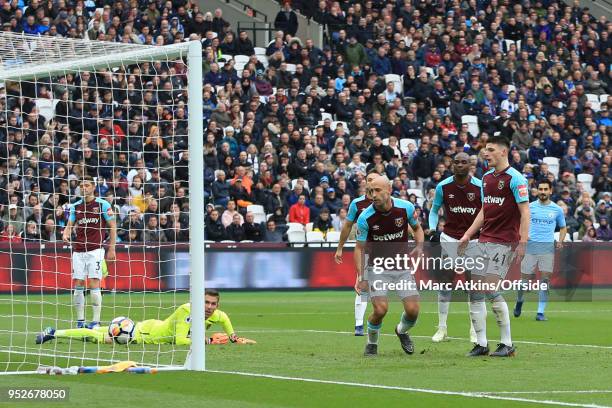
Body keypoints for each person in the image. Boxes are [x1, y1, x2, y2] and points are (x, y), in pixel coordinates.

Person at [459, 136, 530, 357]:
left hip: (504, 241)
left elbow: (525, 212)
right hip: (484, 240)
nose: (485, 153)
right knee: (475, 291)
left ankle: (507, 344)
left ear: (503, 152)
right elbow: (484, 210)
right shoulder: (487, 178)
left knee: (489, 288)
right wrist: (468, 234)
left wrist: (523, 242)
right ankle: (481, 343)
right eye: (484, 150)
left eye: (490, 150)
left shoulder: (515, 178)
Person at [355, 175, 424, 356]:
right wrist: (361, 276)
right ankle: (372, 343)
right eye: (370, 191)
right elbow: (359, 249)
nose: (373, 195)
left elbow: (417, 229)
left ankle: (401, 331)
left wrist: (419, 246)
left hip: (401, 268)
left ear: (389, 190)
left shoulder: (406, 208)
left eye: (377, 190)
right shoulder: (365, 217)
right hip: (377, 268)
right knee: (380, 309)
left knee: (413, 310)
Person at [36, 289, 239, 345]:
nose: (209, 307)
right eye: (206, 302)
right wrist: (207, 340)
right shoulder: (188, 311)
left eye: (213, 304)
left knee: (99, 331)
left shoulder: (214, 313)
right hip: (144, 334)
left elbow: (224, 319)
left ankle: (91, 326)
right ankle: (53, 332)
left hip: (154, 326)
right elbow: (179, 340)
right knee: (97, 336)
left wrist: (233, 336)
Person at [428, 152, 480, 343]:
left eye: (463, 162)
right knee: (445, 282)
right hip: (449, 238)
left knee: (473, 285)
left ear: (470, 165)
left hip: (473, 241)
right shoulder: (443, 186)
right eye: (456, 162)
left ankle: (475, 330)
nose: (460, 165)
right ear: (452, 165)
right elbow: (434, 211)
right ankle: (442, 328)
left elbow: (487, 215)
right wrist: (433, 229)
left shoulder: (480, 187)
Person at [62, 176, 117, 329]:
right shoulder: (75, 206)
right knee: (78, 283)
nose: (83, 188)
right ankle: (80, 321)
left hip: (96, 251)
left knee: (94, 282)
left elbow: (112, 226)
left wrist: (111, 248)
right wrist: (66, 233)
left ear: (93, 187)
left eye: (87, 185)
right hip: (78, 251)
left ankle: (96, 322)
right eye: (81, 185)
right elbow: (70, 224)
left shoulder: (103, 205)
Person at [334, 170, 380, 336]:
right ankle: (359, 324)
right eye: (369, 180)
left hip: (386, 251)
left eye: (375, 180)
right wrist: (340, 247)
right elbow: (347, 226)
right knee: (362, 285)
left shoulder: (388, 203)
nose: (372, 183)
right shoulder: (357, 204)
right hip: (366, 250)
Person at [514, 180, 566, 321]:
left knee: (545, 281)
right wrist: (523, 235)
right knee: (523, 282)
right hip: (530, 248)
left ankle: (540, 313)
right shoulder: (529, 207)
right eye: (540, 189)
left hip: (547, 249)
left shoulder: (557, 210)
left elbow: (563, 227)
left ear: (550, 191)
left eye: (545, 189)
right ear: (537, 191)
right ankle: (519, 301)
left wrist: (560, 241)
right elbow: (520, 223)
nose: (542, 192)